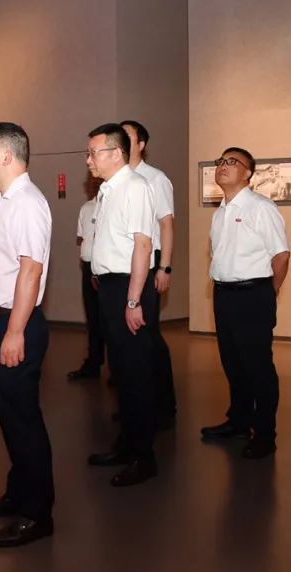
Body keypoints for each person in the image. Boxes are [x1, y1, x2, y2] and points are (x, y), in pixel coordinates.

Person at [0, 122, 54, 548]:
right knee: (9, 417)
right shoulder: (4, 202)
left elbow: (30, 271)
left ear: (5, 154)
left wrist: (15, 331)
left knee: (23, 421)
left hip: (11, 323)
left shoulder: (27, 204)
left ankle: (37, 514)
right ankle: (18, 492)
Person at [199, 147, 290, 459]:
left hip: (253, 295)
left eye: (231, 162)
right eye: (220, 161)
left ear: (248, 173)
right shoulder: (219, 212)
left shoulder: (260, 207)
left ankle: (265, 434)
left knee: (258, 367)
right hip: (224, 295)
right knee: (233, 363)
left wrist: (267, 293)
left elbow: (281, 256)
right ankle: (238, 421)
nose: (222, 166)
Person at [84, 123, 160, 486]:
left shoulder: (135, 187)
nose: (89, 161)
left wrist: (133, 300)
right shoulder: (108, 190)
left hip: (129, 289)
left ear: (116, 153)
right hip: (111, 287)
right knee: (121, 373)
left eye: (94, 153)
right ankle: (127, 445)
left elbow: (143, 246)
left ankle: (145, 457)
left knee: (136, 375)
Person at [120, 120, 178, 428]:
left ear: (141, 145)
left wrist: (164, 267)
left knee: (148, 336)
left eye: (127, 136)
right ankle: (135, 404)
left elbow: (167, 224)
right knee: (127, 341)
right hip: (123, 264)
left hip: (148, 260)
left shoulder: (155, 179)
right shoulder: (116, 180)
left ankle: (163, 404)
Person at [67, 177, 105, 380]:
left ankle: (118, 370)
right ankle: (93, 363)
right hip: (88, 268)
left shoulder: (112, 206)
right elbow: (83, 238)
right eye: (91, 183)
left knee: (110, 321)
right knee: (93, 318)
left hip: (107, 270)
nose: (93, 185)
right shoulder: (86, 208)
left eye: (97, 182)